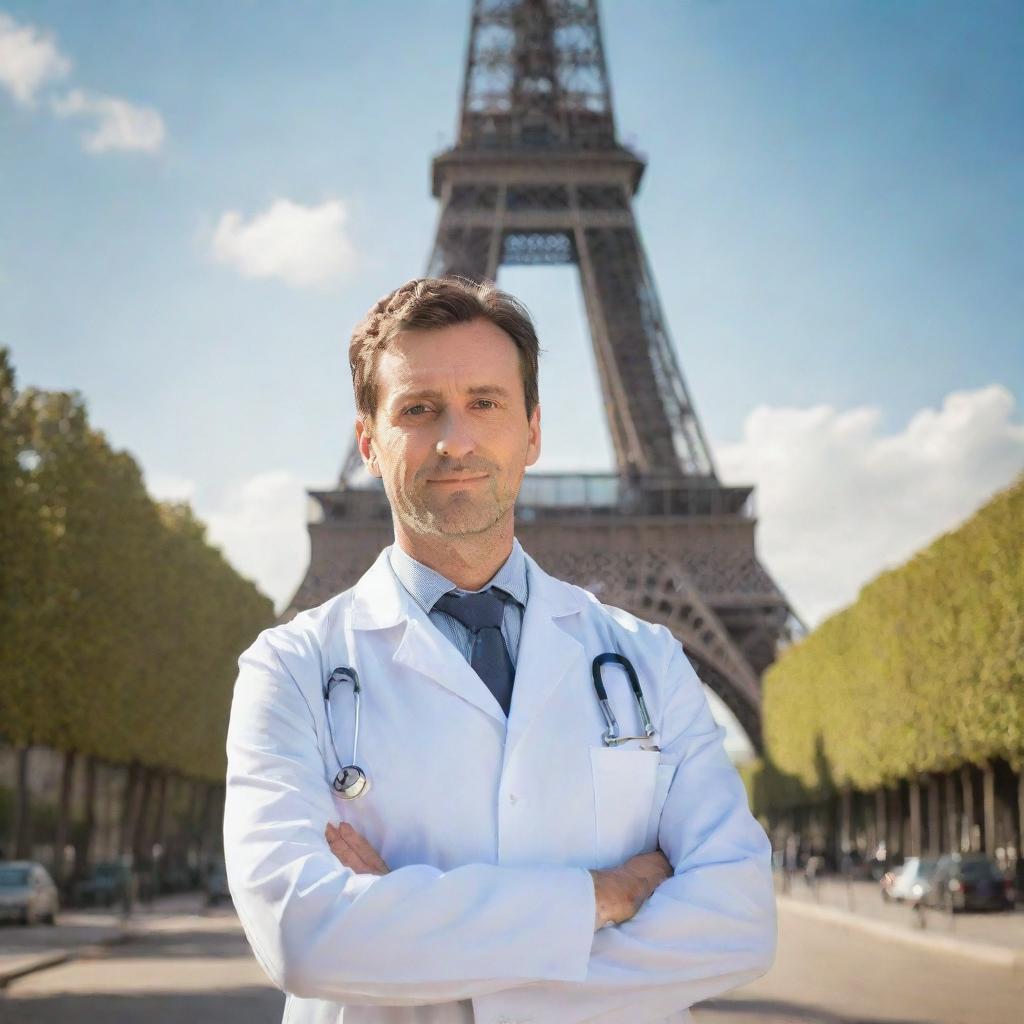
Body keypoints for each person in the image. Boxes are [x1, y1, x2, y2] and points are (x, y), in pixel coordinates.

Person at [223, 276, 777, 1024]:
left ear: (533, 430)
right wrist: (602, 898)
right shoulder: (289, 668)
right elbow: (304, 938)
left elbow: (738, 921)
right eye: (419, 410)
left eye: (486, 402)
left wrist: (407, 945)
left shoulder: (649, 658)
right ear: (369, 443)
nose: (456, 440)